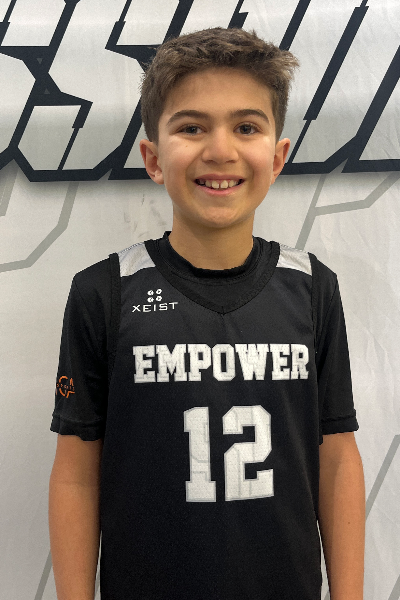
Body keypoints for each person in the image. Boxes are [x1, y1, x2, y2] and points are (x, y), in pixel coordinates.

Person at [48, 27, 365, 600]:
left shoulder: (312, 288)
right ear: (153, 158)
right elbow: (75, 473)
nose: (220, 151)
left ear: (277, 157)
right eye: (192, 127)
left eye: (246, 127)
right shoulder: (104, 292)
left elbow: (337, 457)